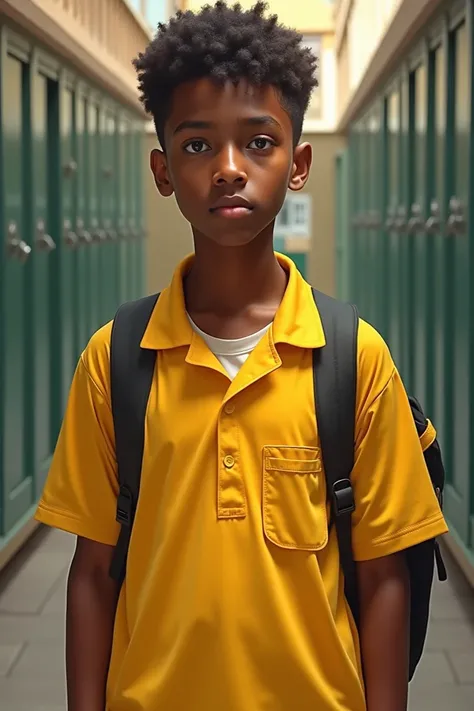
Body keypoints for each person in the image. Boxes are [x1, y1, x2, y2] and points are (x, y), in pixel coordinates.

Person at [35, 3, 448, 710]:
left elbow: (384, 579)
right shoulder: (116, 360)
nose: (229, 169)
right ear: (163, 171)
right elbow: (93, 570)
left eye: (259, 141)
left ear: (298, 163)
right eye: (198, 147)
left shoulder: (353, 358)